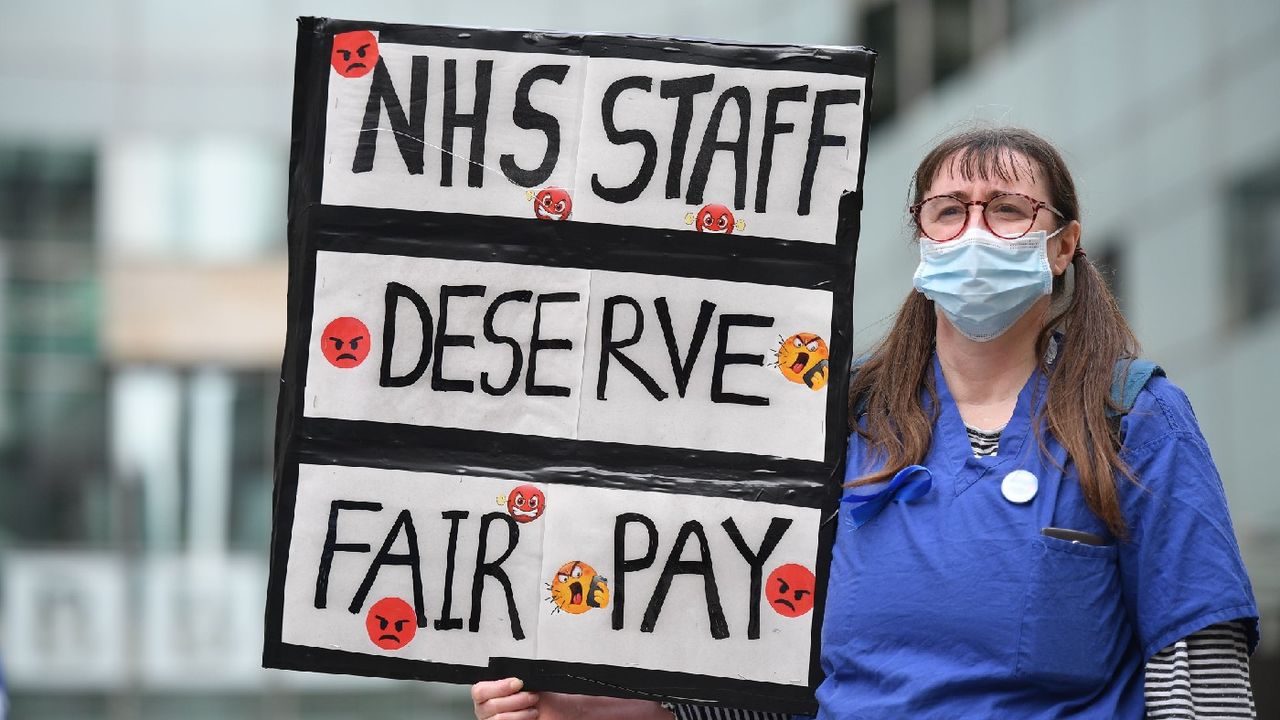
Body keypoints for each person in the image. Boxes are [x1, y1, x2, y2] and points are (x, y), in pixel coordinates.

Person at [471, 127, 1259, 719]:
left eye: (1010, 210)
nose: (976, 231)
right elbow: (779, 679)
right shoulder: (832, 425)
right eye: (949, 211)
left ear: (1063, 246)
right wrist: (610, 706)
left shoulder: (1133, 416)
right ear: (921, 236)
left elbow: (1198, 665)